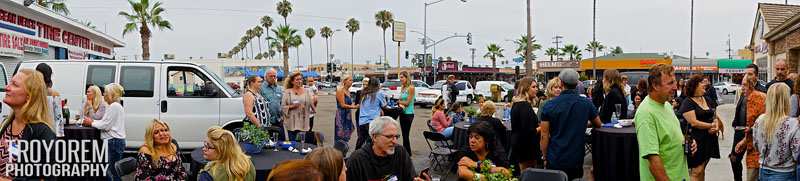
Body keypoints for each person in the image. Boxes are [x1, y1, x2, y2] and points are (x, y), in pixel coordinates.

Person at [540, 69, 603, 180]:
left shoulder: (549, 105)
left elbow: (544, 135)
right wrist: (581, 122)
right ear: (577, 83)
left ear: (561, 83)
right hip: (576, 156)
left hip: (555, 155)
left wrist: (545, 157)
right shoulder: (585, 103)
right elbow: (598, 124)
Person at [635, 64, 692, 181]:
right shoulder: (646, 113)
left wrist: (687, 142)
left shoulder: (666, 105)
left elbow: (670, 137)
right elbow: (653, 162)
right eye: (670, 83)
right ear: (655, 85)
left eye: (675, 82)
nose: (676, 87)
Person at [0, 69, 56, 180]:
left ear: (29, 96)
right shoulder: (7, 124)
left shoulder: (43, 134)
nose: (7, 87)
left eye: (15, 85)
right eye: (10, 83)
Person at [346, 116, 428, 181]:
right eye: (389, 137)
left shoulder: (400, 153)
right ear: (374, 137)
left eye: (396, 136)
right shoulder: (357, 160)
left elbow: (410, 177)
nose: (394, 141)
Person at [752, 83, 800, 180]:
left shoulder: (760, 120)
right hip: (785, 173)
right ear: (786, 100)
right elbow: (797, 154)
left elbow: (756, 145)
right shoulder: (793, 124)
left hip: (763, 170)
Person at [679, 75, 723, 181]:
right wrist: (711, 126)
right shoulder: (688, 102)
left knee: (702, 169)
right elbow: (693, 122)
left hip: (709, 139)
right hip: (696, 141)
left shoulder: (707, 99)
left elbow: (714, 116)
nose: (705, 84)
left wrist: (716, 126)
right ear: (695, 86)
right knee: (696, 171)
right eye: (701, 83)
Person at [83, 83, 126, 181]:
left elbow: (105, 125)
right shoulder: (114, 106)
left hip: (113, 141)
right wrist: (93, 121)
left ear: (112, 94)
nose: (104, 95)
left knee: (110, 172)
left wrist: (91, 123)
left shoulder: (114, 106)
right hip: (114, 141)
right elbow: (104, 122)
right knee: (112, 171)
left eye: (106, 93)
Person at [730, 73, 766, 181]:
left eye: (745, 85)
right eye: (742, 85)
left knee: (753, 173)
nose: (742, 88)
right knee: (734, 159)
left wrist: (749, 132)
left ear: (752, 84)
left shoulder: (760, 98)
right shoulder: (745, 96)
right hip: (743, 133)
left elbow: (763, 124)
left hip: (756, 144)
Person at [509, 77, 541, 171]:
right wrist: (541, 127)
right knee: (527, 174)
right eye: (533, 87)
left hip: (519, 145)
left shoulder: (517, 104)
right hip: (526, 148)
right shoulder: (524, 106)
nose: (536, 89)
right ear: (525, 88)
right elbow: (528, 132)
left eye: (537, 87)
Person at [355, 78, 387, 150]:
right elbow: (384, 105)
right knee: (372, 142)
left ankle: (355, 156)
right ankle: (369, 158)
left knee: (361, 140)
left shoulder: (364, 92)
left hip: (362, 121)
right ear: (377, 84)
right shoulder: (379, 93)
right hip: (372, 121)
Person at [282, 72, 313, 141]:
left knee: (302, 143)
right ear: (292, 81)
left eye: (301, 79)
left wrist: (314, 103)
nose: (300, 81)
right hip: (291, 122)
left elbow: (311, 106)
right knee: (292, 144)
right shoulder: (287, 92)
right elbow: (282, 107)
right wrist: (292, 106)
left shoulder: (306, 91)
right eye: (297, 79)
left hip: (303, 122)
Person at [35, 63, 64, 138]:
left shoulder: (31, 92)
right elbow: (59, 117)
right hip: (50, 131)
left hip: (34, 131)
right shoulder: (54, 94)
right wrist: (60, 135)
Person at [334, 76, 359, 154]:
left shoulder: (348, 91)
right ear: (345, 81)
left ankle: (343, 151)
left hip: (347, 114)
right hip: (341, 114)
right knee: (340, 133)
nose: (351, 82)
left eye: (352, 80)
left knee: (347, 132)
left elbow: (349, 103)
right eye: (350, 80)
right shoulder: (340, 91)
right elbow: (342, 105)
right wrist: (354, 107)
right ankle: (338, 152)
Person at [261, 68, 285, 140]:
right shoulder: (260, 88)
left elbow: (282, 103)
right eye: (271, 76)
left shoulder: (279, 88)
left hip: (278, 121)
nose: (273, 78)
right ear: (265, 77)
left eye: (274, 76)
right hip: (266, 121)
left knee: (278, 141)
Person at [397, 71, 416, 155]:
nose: (400, 79)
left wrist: (399, 101)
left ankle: (407, 153)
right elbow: (402, 100)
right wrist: (400, 102)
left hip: (409, 113)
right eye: (400, 77)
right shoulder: (402, 87)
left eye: (402, 77)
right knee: (404, 134)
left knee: (406, 134)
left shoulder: (411, 88)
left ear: (406, 78)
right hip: (402, 112)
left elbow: (408, 102)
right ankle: (406, 152)